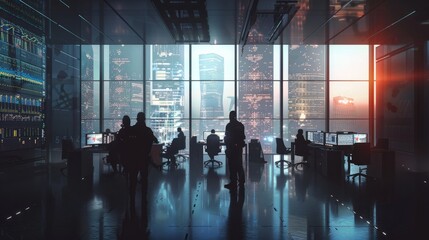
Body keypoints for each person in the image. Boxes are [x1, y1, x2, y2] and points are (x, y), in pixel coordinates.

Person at [127, 112, 158, 207]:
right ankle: (144, 198)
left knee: (133, 179)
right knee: (144, 180)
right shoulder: (147, 131)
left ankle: (132, 198)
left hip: (133, 158)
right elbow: (155, 140)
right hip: (143, 158)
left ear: (137, 119)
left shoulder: (131, 130)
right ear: (144, 119)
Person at [224, 111, 246, 190]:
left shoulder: (229, 125)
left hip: (231, 148)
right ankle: (241, 181)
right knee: (239, 165)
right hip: (238, 148)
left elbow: (227, 136)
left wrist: (227, 146)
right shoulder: (240, 125)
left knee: (232, 166)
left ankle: (233, 183)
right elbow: (243, 137)